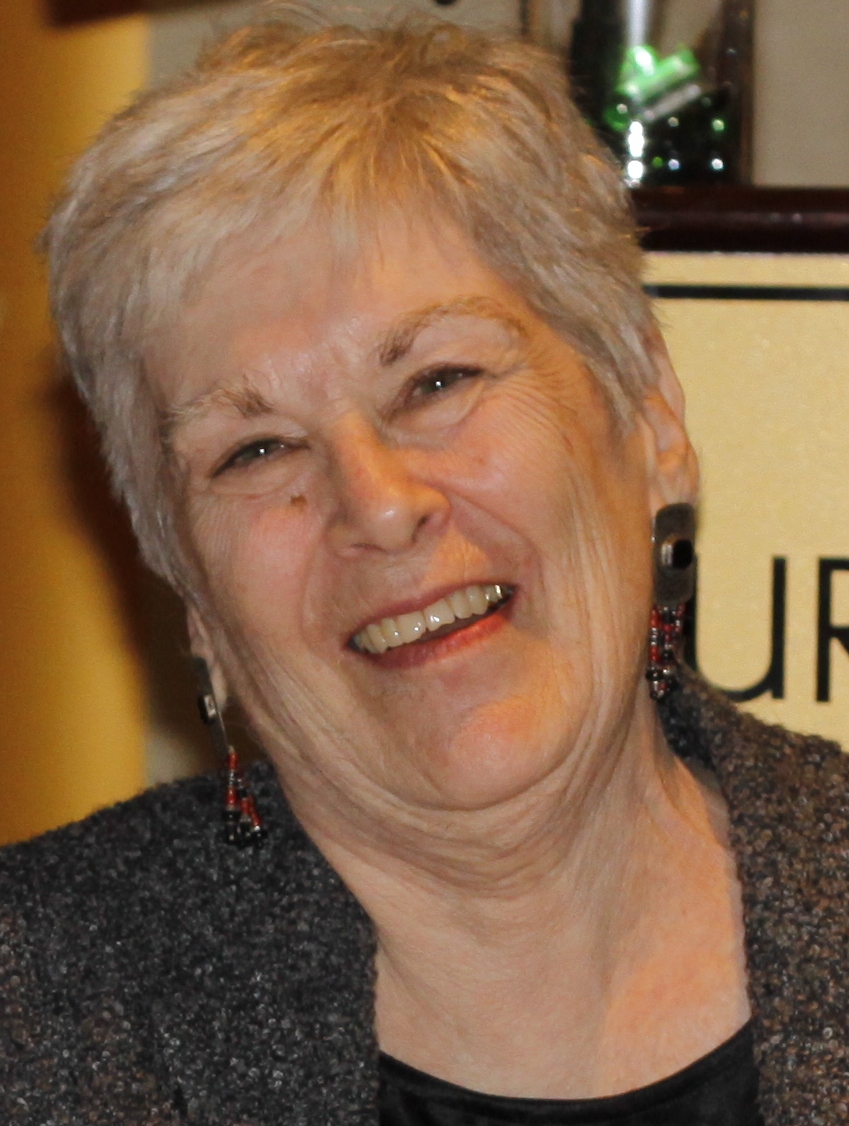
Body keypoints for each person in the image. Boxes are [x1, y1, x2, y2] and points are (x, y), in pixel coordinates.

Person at [1, 12, 847, 1125]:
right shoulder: (34, 1016)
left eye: (437, 381)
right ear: (191, 594)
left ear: (648, 413)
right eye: (257, 451)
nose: (379, 504)